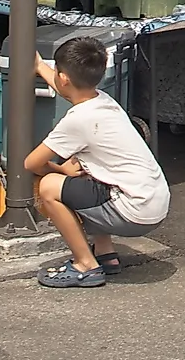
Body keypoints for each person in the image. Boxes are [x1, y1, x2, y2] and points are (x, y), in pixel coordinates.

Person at [25, 34, 170, 288]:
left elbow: (31, 164)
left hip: (132, 212)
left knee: (50, 186)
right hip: (154, 204)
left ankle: (86, 265)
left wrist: (60, 171)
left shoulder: (77, 120)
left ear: (63, 77)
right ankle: (105, 255)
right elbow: (68, 91)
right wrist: (39, 66)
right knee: (89, 176)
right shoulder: (103, 101)